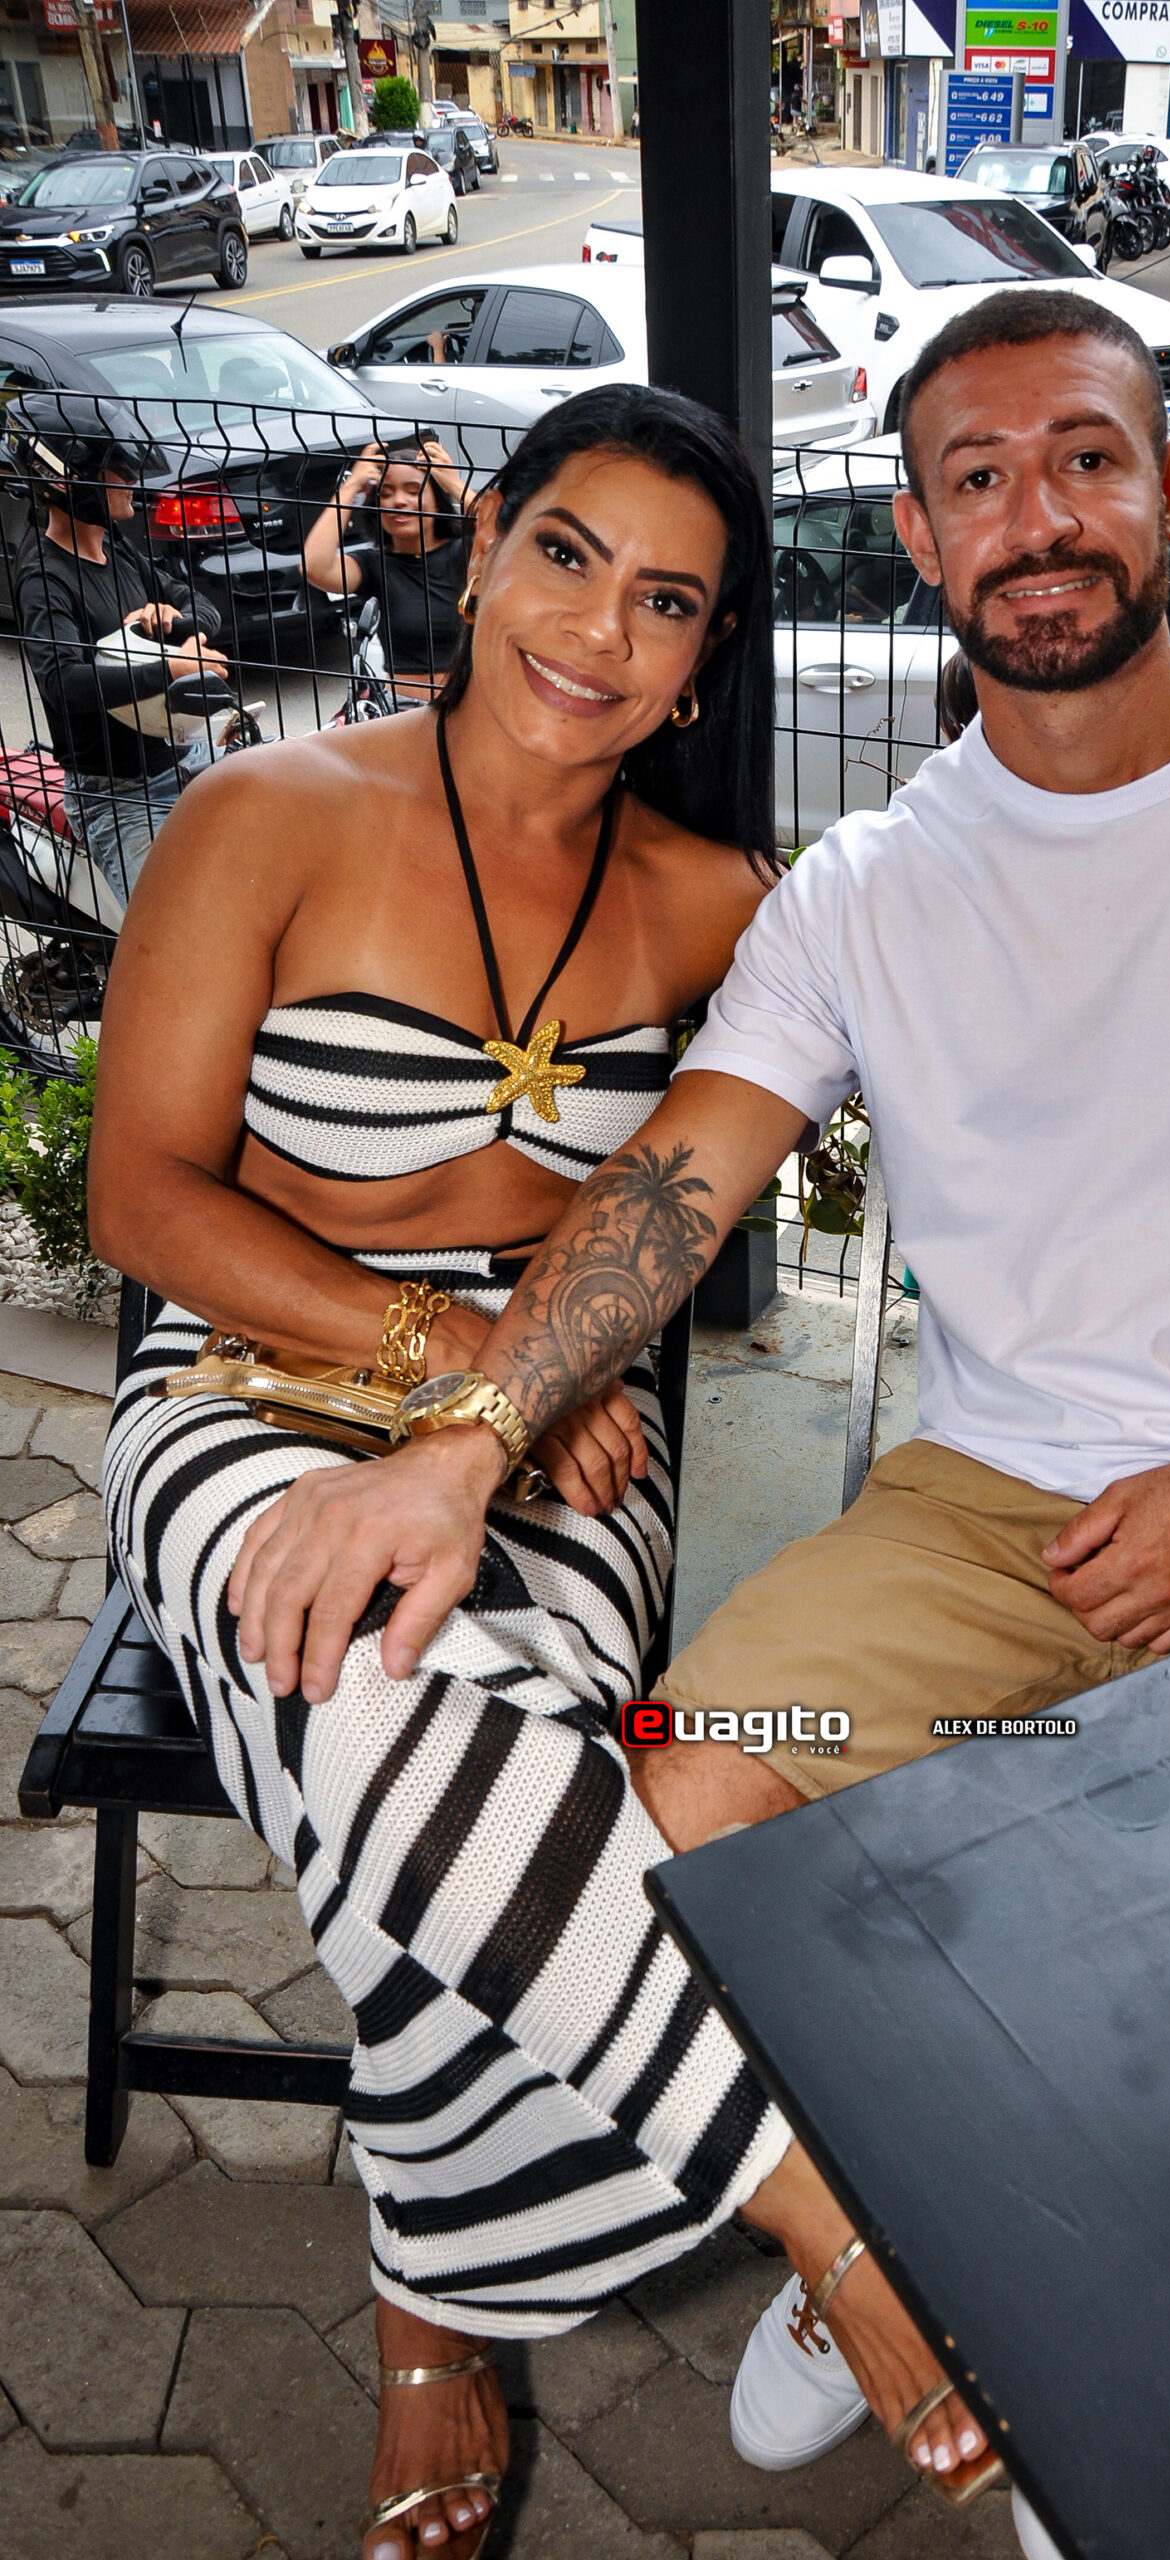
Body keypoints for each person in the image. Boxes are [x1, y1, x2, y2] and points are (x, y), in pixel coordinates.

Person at [223, 289, 1170, 2523]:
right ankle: (870, 2228)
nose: (1039, 516)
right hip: (970, 1513)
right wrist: (466, 1436)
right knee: (685, 1779)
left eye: (1085, 458)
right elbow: (673, 1183)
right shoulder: (868, 888)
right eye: (976, 479)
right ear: (920, 538)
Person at [93, 383, 1001, 2560]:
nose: (601, 630)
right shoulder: (265, 816)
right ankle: (820, 2210)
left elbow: (816, 1130)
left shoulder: (716, 903)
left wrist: (537, 1363)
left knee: (444, 1770)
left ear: (704, 660)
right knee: (373, 1687)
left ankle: (431, 2312)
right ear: (484, 541)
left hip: (565, 1438)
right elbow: (144, 1196)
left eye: (667, 602)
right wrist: (462, 1351)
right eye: (571, 556)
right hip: (255, 1386)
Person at [11, 393, 232, 899]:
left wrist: (172, 624)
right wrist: (171, 670)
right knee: (174, 927)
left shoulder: (118, 549)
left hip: (186, 757)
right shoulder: (44, 577)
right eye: (118, 467)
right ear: (68, 480)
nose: (131, 478)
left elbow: (203, 608)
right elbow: (62, 680)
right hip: (118, 796)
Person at [302, 434, 472, 703]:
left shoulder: (466, 551)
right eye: (386, 493)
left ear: (438, 500)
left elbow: (512, 536)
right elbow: (314, 566)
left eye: (413, 491)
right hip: (405, 712)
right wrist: (351, 487)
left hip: (471, 707)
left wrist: (455, 485)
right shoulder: (373, 565)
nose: (398, 501)